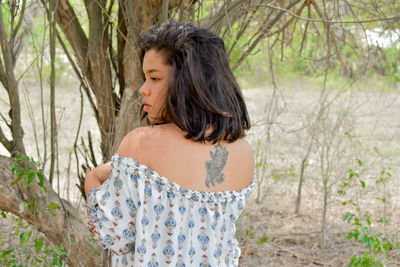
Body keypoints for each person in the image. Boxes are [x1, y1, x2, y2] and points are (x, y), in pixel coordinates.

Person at [85, 19, 255, 267]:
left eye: (154, 78)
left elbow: (115, 236)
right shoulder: (243, 151)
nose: (144, 89)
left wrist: (92, 178)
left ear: (187, 82)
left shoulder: (141, 145)